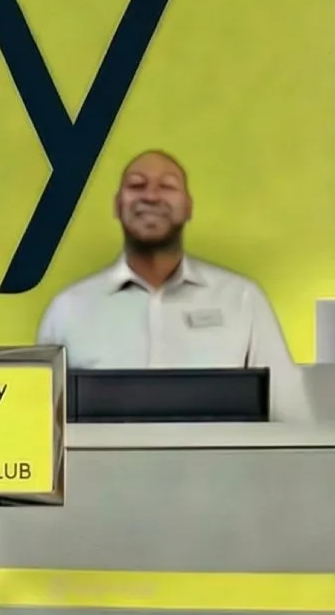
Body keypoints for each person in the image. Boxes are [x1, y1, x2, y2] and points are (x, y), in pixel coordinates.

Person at [35, 148, 304, 416]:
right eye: (137, 185)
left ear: (188, 207)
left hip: (221, 461)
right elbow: (39, 423)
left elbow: (291, 417)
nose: (151, 196)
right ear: (117, 205)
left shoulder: (242, 299)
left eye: (167, 186)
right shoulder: (68, 309)